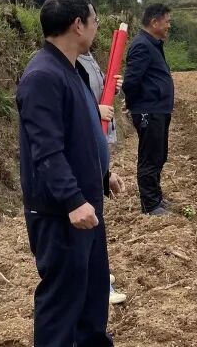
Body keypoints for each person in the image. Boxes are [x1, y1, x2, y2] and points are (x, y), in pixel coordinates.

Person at [16, 0, 125, 346]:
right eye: (94, 21)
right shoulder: (42, 76)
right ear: (78, 25)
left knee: (92, 297)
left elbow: (80, 136)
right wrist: (72, 199)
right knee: (62, 304)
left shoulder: (72, 70)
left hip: (85, 204)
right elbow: (45, 148)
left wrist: (103, 176)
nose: (96, 28)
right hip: (62, 213)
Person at [78, 49, 128, 305]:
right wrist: (96, 110)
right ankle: (95, 286)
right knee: (88, 231)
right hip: (83, 162)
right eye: (94, 19)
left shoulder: (86, 57)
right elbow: (75, 111)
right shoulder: (68, 63)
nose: (96, 25)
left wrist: (111, 90)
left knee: (96, 229)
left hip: (96, 154)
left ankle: (98, 279)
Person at [123, 3, 175, 216]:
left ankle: (156, 197)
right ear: (154, 22)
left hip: (158, 109)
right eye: (167, 21)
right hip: (149, 110)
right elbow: (131, 80)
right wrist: (135, 103)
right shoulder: (142, 45)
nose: (169, 25)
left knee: (159, 154)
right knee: (150, 156)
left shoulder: (152, 44)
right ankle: (150, 204)